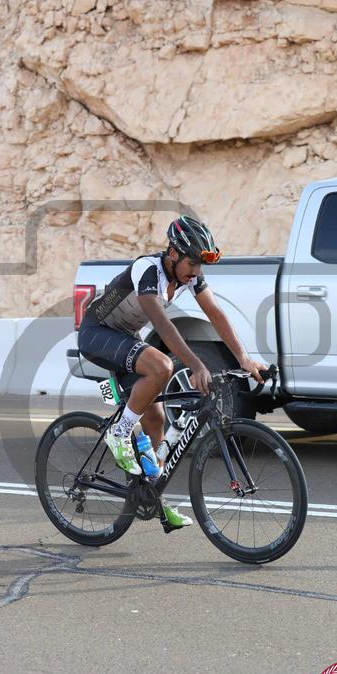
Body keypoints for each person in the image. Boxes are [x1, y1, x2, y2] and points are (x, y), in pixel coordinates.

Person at [78, 216, 267, 531]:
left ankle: (152, 496)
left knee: (155, 420)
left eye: (200, 265)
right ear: (174, 254)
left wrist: (244, 358)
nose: (196, 271)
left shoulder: (189, 277)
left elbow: (216, 314)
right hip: (97, 333)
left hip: (125, 337)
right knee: (163, 366)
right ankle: (119, 432)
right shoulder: (147, 269)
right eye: (192, 263)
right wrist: (196, 364)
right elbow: (162, 325)